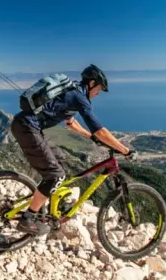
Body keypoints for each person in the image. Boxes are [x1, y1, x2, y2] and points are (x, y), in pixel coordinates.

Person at [10, 64, 134, 235]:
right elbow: (100, 129)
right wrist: (125, 150)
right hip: (27, 128)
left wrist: (91, 138)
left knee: (60, 158)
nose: (98, 93)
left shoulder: (72, 93)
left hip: (28, 127)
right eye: (99, 89)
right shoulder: (79, 97)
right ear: (91, 84)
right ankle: (28, 218)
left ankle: (53, 205)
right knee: (55, 174)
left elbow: (71, 123)